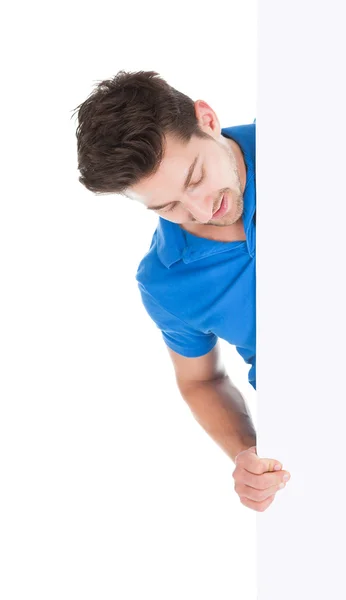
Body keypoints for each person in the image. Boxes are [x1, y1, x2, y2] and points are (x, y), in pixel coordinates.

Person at [73, 70, 290, 512]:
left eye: (195, 178)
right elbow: (202, 379)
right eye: (168, 206)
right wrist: (246, 452)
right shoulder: (164, 283)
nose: (200, 210)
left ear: (207, 119)